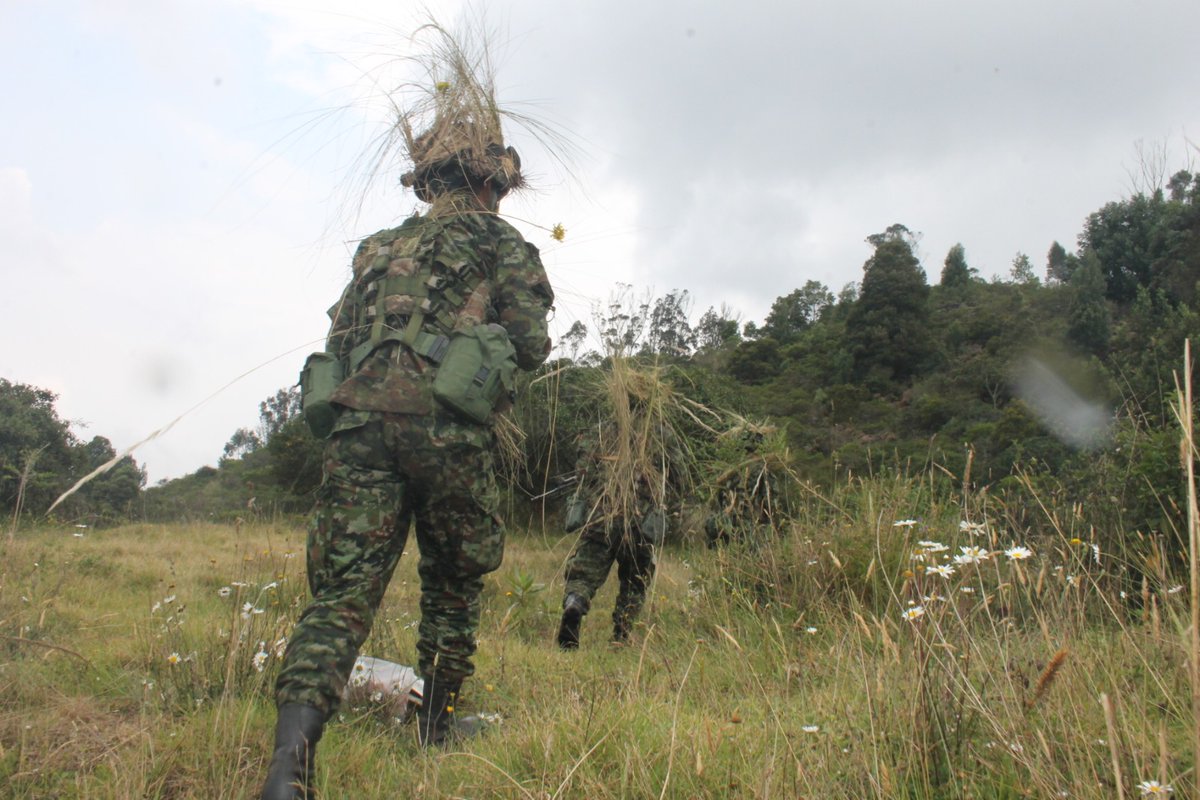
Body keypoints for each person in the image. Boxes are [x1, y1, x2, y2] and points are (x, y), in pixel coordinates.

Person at [260, 120, 555, 799]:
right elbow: (531, 343)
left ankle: (288, 770)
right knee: (452, 583)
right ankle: (437, 727)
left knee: (339, 598)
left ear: (429, 182)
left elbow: (339, 336)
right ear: (489, 182)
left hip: (359, 428)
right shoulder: (498, 241)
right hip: (447, 432)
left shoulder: (378, 248)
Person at [556, 389, 685, 649]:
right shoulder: (662, 434)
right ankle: (622, 636)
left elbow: (583, 472)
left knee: (584, 574)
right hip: (641, 520)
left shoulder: (601, 431)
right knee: (635, 580)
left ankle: (575, 603)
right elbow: (678, 476)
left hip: (601, 516)